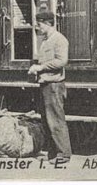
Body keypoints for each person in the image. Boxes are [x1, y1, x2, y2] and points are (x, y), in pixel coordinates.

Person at [28, 11, 72, 163]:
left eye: (39, 24)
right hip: (45, 84)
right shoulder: (46, 40)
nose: (37, 27)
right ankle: (54, 153)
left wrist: (40, 68)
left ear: (48, 23)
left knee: (56, 120)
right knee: (47, 120)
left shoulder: (59, 40)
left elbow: (62, 61)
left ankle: (64, 154)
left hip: (54, 85)